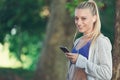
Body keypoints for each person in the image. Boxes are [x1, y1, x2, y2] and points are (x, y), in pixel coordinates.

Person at [66, 0, 112, 80]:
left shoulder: (101, 41)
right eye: (76, 18)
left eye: (83, 18)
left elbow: (107, 73)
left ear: (94, 18)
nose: (79, 23)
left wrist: (81, 61)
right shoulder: (77, 41)